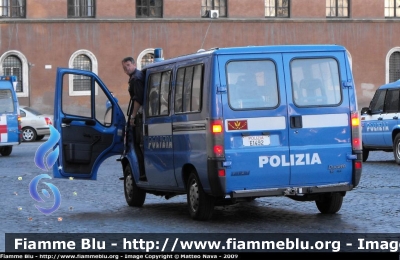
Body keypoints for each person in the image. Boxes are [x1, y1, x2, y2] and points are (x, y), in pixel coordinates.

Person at [121, 57, 144, 126]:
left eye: (128, 65)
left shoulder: (136, 78)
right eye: (124, 67)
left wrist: (133, 116)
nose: (127, 68)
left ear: (134, 65)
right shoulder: (134, 76)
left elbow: (138, 98)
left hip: (138, 111)